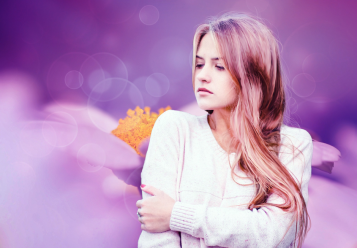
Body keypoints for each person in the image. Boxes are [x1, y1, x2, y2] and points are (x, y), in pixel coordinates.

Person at [136, 12, 313, 248]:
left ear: (254, 74)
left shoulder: (292, 144)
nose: (202, 76)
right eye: (199, 64)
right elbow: (156, 237)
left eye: (219, 66)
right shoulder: (174, 129)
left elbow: (273, 234)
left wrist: (176, 215)